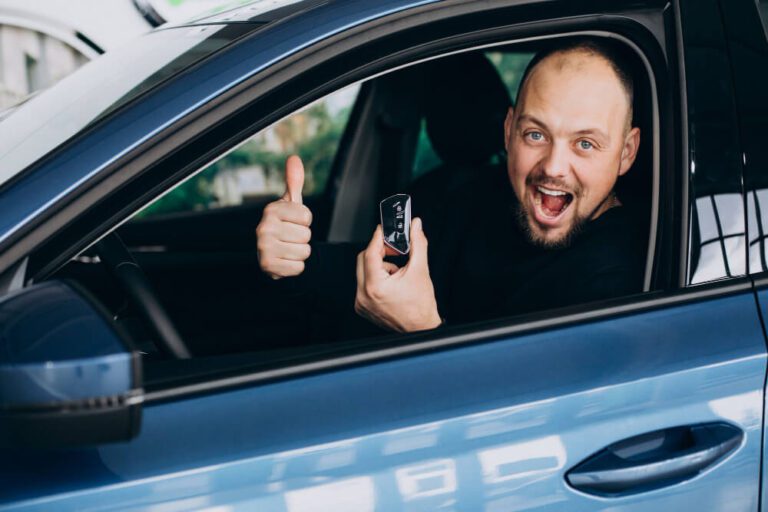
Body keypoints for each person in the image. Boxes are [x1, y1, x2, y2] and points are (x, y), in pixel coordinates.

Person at [255, 37, 646, 337]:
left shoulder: (625, 280)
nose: (554, 167)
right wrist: (294, 260)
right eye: (535, 135)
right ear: (509, 131)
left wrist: (424, 330)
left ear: (627, 152)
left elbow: (530, 424)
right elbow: (380, 270)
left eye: (585, 144)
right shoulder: (468, 197)